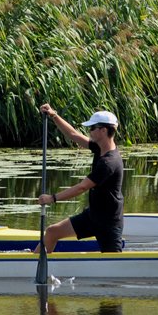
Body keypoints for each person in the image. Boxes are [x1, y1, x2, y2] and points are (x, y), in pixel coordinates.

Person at [35, 104, 125, 252]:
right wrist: (53, 115)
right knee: (52, 232)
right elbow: (74, 135)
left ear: (103, 130)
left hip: (109, 222)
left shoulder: (109, 162)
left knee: (113, 261)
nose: (89, 131)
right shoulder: (99, 147)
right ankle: (32, 266)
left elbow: (82, 187)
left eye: (92, 128)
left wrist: (52, 198)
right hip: (92, 216)